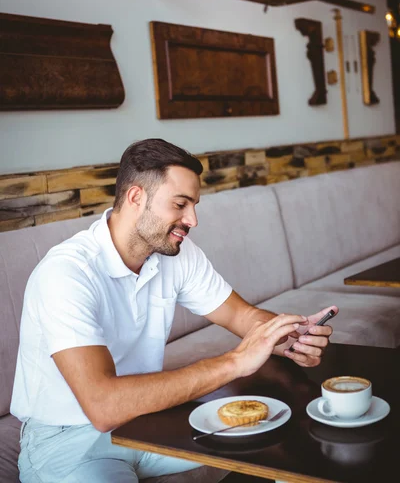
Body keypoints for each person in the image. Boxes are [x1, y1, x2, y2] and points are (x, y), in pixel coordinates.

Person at [11, 138, 338, 483]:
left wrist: (286, 333)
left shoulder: (175, 251)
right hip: (67, 440)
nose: (192, 219)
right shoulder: (67, 273)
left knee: (289, 433)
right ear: (136, 197)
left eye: (194, 205)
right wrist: (235, 361)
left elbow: (240, 316)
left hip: (149, 417)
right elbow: (103, 407)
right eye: (180, 204)